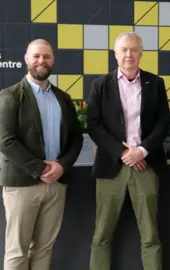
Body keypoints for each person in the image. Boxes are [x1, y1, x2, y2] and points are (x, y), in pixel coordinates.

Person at [87, 32, 170, 270]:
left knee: (150, 236)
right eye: (124, 49)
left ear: (141, 54)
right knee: (101, 235)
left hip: (145, 165)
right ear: (115, 54)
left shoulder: (156, 83)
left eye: (134, 50)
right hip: (111, 168)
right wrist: (123, 152)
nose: (129, 55)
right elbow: (93, 124)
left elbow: (163, 123)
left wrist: (142, 150)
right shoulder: (100, 85)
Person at [0, 39, 84, 270]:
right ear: (26, 59)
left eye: (46, 56)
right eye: (36, 56)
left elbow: (76, 138)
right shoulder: (10, 96)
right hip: (22, 186)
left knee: (43, 250)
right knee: (17, 252)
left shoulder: (63, 99)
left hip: (56, 185)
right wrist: (41, 168)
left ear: (53, 61)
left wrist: (62, 166)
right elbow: (6, 141)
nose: (41, 61)